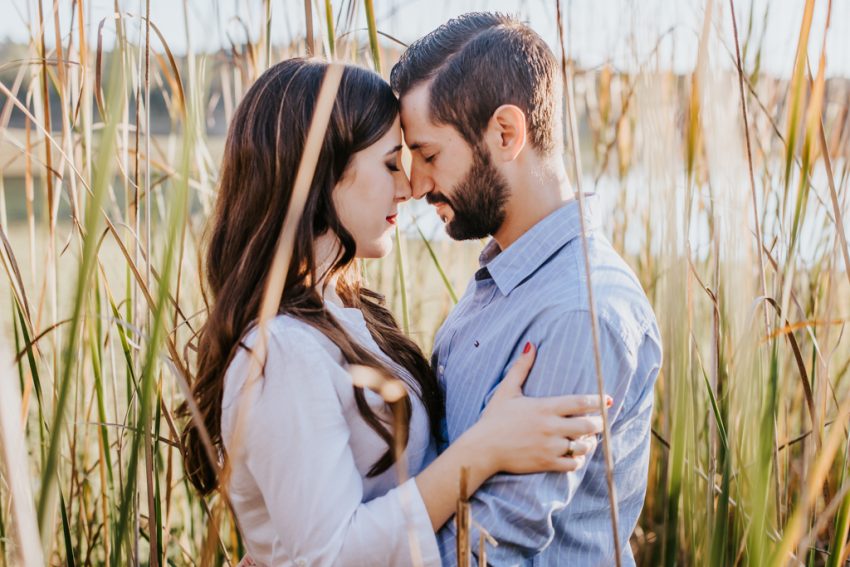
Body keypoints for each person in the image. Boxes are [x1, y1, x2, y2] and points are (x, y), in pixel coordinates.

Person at [180, 57, 607, 567]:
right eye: (389, 165)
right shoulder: (282, 351)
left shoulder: (342, 312)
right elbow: (331, 556)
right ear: (321, 174)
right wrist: (484, 450)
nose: (408, 189)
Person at [390, 12, 663, 566]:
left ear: (506, 133)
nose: (415, 183)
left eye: (429, 155)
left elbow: (488, 550)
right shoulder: (507, 275)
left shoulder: (579, 313)